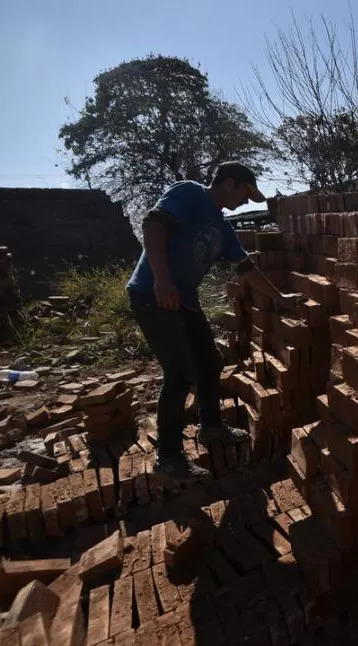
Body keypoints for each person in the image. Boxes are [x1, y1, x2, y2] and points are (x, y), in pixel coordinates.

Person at [126, 161, 281, 483]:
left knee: (209, 362)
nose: (244, 201)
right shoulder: (189, 193)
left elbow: (245, 268)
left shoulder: (222, 227)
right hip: (152, 294)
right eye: (244, 193)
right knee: (180, 374)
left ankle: (211, 427)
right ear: (227, 182)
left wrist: (281, 299)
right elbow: (153, 226)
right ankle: (168, 458)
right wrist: (162, 280)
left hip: (184, 300)